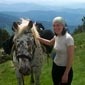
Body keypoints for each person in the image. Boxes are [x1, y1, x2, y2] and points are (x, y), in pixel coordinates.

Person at [37, 16, 74, 85]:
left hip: (65, 69)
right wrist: (37, 38)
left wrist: (66, 74)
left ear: (63, 25)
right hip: (55, 67)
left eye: (58, 25)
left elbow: (70, 58)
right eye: (54, 25)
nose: (56, 27)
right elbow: (49, 43)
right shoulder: (57, 36)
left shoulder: (68, 39)